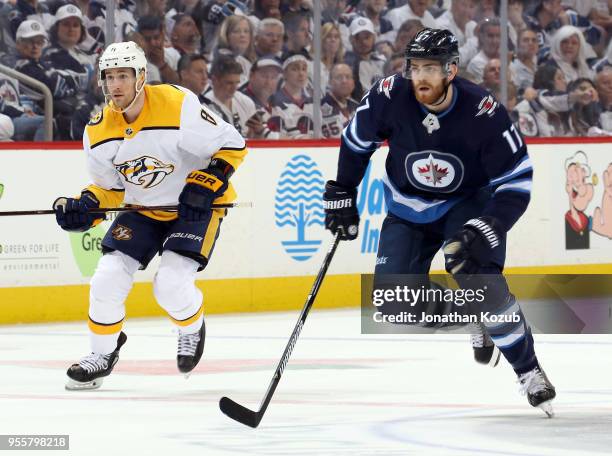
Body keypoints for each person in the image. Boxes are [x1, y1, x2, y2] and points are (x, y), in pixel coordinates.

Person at [322, 28, 556, 416]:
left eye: (431, 68)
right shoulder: (389, 95)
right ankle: (472, 315)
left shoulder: (482, 111)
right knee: (394, 304)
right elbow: (357, 141)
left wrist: (492, 225)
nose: (421, 77)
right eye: (415, 68)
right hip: (405, 207)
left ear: (451, 70)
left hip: (466, 203)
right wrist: (343, 189)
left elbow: (516, 180)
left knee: (481, 282)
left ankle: (529, 371)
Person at [52, 41, 247, 390]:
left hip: (194, 208)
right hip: (142, 209)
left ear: (141, 76)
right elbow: (110, 188)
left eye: (123, 76)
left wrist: (203, 185)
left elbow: (232, 145)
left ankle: (190, 328)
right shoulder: (98, 130)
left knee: (170, 284)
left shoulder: (176, 103)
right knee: (106, 280)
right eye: (109, 77)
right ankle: (102, 354)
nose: (115, 86)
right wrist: (85, 207)